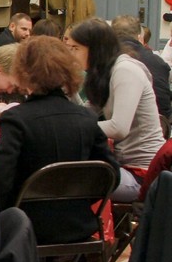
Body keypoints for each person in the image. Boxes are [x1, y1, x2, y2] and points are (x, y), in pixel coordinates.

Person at [0, 36, 120, 243]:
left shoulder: (16, 119)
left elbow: (0, 181)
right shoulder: (87, 118)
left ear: (23, 72)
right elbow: (111, 175)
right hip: (80, 224)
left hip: (25, 226)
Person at [68, 18, 165, 202]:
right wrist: (69, 87)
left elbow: (119, 128)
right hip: (121, 166)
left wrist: (74, 129)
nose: (71, 54)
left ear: (94, 48)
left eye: (76, 48)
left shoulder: (125, 70)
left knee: (71, 183)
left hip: (142, 175)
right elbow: (85, 115)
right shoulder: (106, 72)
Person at [111, 14, 171, 119]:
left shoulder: (108, 60)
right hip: (162, 123)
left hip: (127, 124)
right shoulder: (157, 61)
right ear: (140, 38)